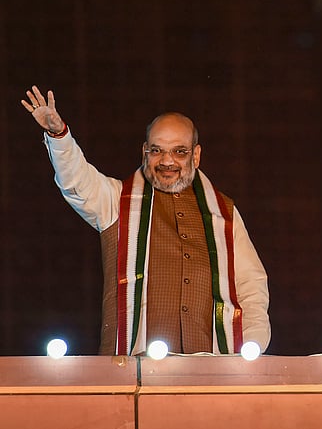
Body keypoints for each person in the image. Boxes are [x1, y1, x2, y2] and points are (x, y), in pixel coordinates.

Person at [22, 86, 270, 356]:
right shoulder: (117, 202)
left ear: (196, 155)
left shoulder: (224, 212)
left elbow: (251, 287)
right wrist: (59, 136)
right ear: (144, 152)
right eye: (157, 150)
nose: (167, 161)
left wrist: (249, 350)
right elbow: (77, 183)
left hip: (212, 371)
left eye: (179, 152)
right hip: (134, 371)